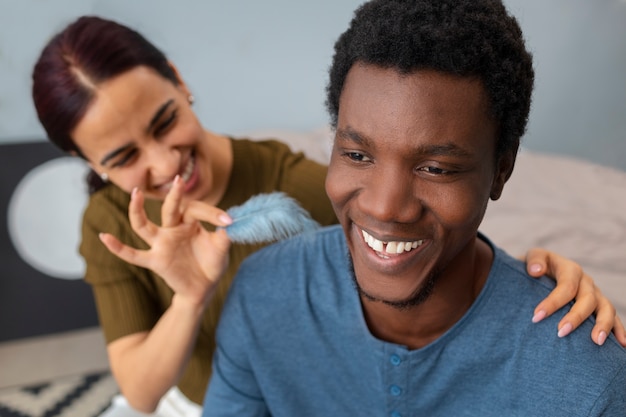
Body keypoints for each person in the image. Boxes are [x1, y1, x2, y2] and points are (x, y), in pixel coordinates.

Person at [30, 12, 625, 417]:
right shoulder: (111, 225)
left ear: (179, 85)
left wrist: (538, 274)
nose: (166, 164)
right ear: (91, 164)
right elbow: (139, 389)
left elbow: (429, 240)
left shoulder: (302, 187)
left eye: (163, 123)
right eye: (358, 153)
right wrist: (190, 297)